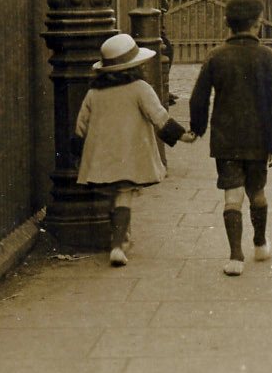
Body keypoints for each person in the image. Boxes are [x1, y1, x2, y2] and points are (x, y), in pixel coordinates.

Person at [189, 0, 272, 277]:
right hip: (258, 139)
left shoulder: (216, 56)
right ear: (259, 23)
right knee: (257, 190)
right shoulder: (268, 57)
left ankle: (235, 256)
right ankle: (260, 242)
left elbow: (199, 98)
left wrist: (197, 128)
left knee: (232, 195)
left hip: (226, 138)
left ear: (226, 23)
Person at [75, 33, 191, 267]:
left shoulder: (94, 93)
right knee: (125, 194)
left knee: (113, 194)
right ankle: (117, 246)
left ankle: (121, 236)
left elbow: (81, 126)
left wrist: (79, 154)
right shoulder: (140, 88)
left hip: (102, 156)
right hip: (130, 155)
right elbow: (159, 116)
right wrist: (182, 135)